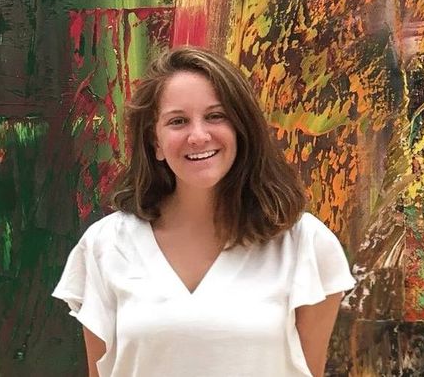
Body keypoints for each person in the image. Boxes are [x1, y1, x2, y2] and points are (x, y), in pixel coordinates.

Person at [53, 46, 355, 377]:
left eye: (215, 116)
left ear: (241, 128)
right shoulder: (105, 244)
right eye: (178, 121)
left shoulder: (305, 244)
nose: (198, 136)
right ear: (155, 142)